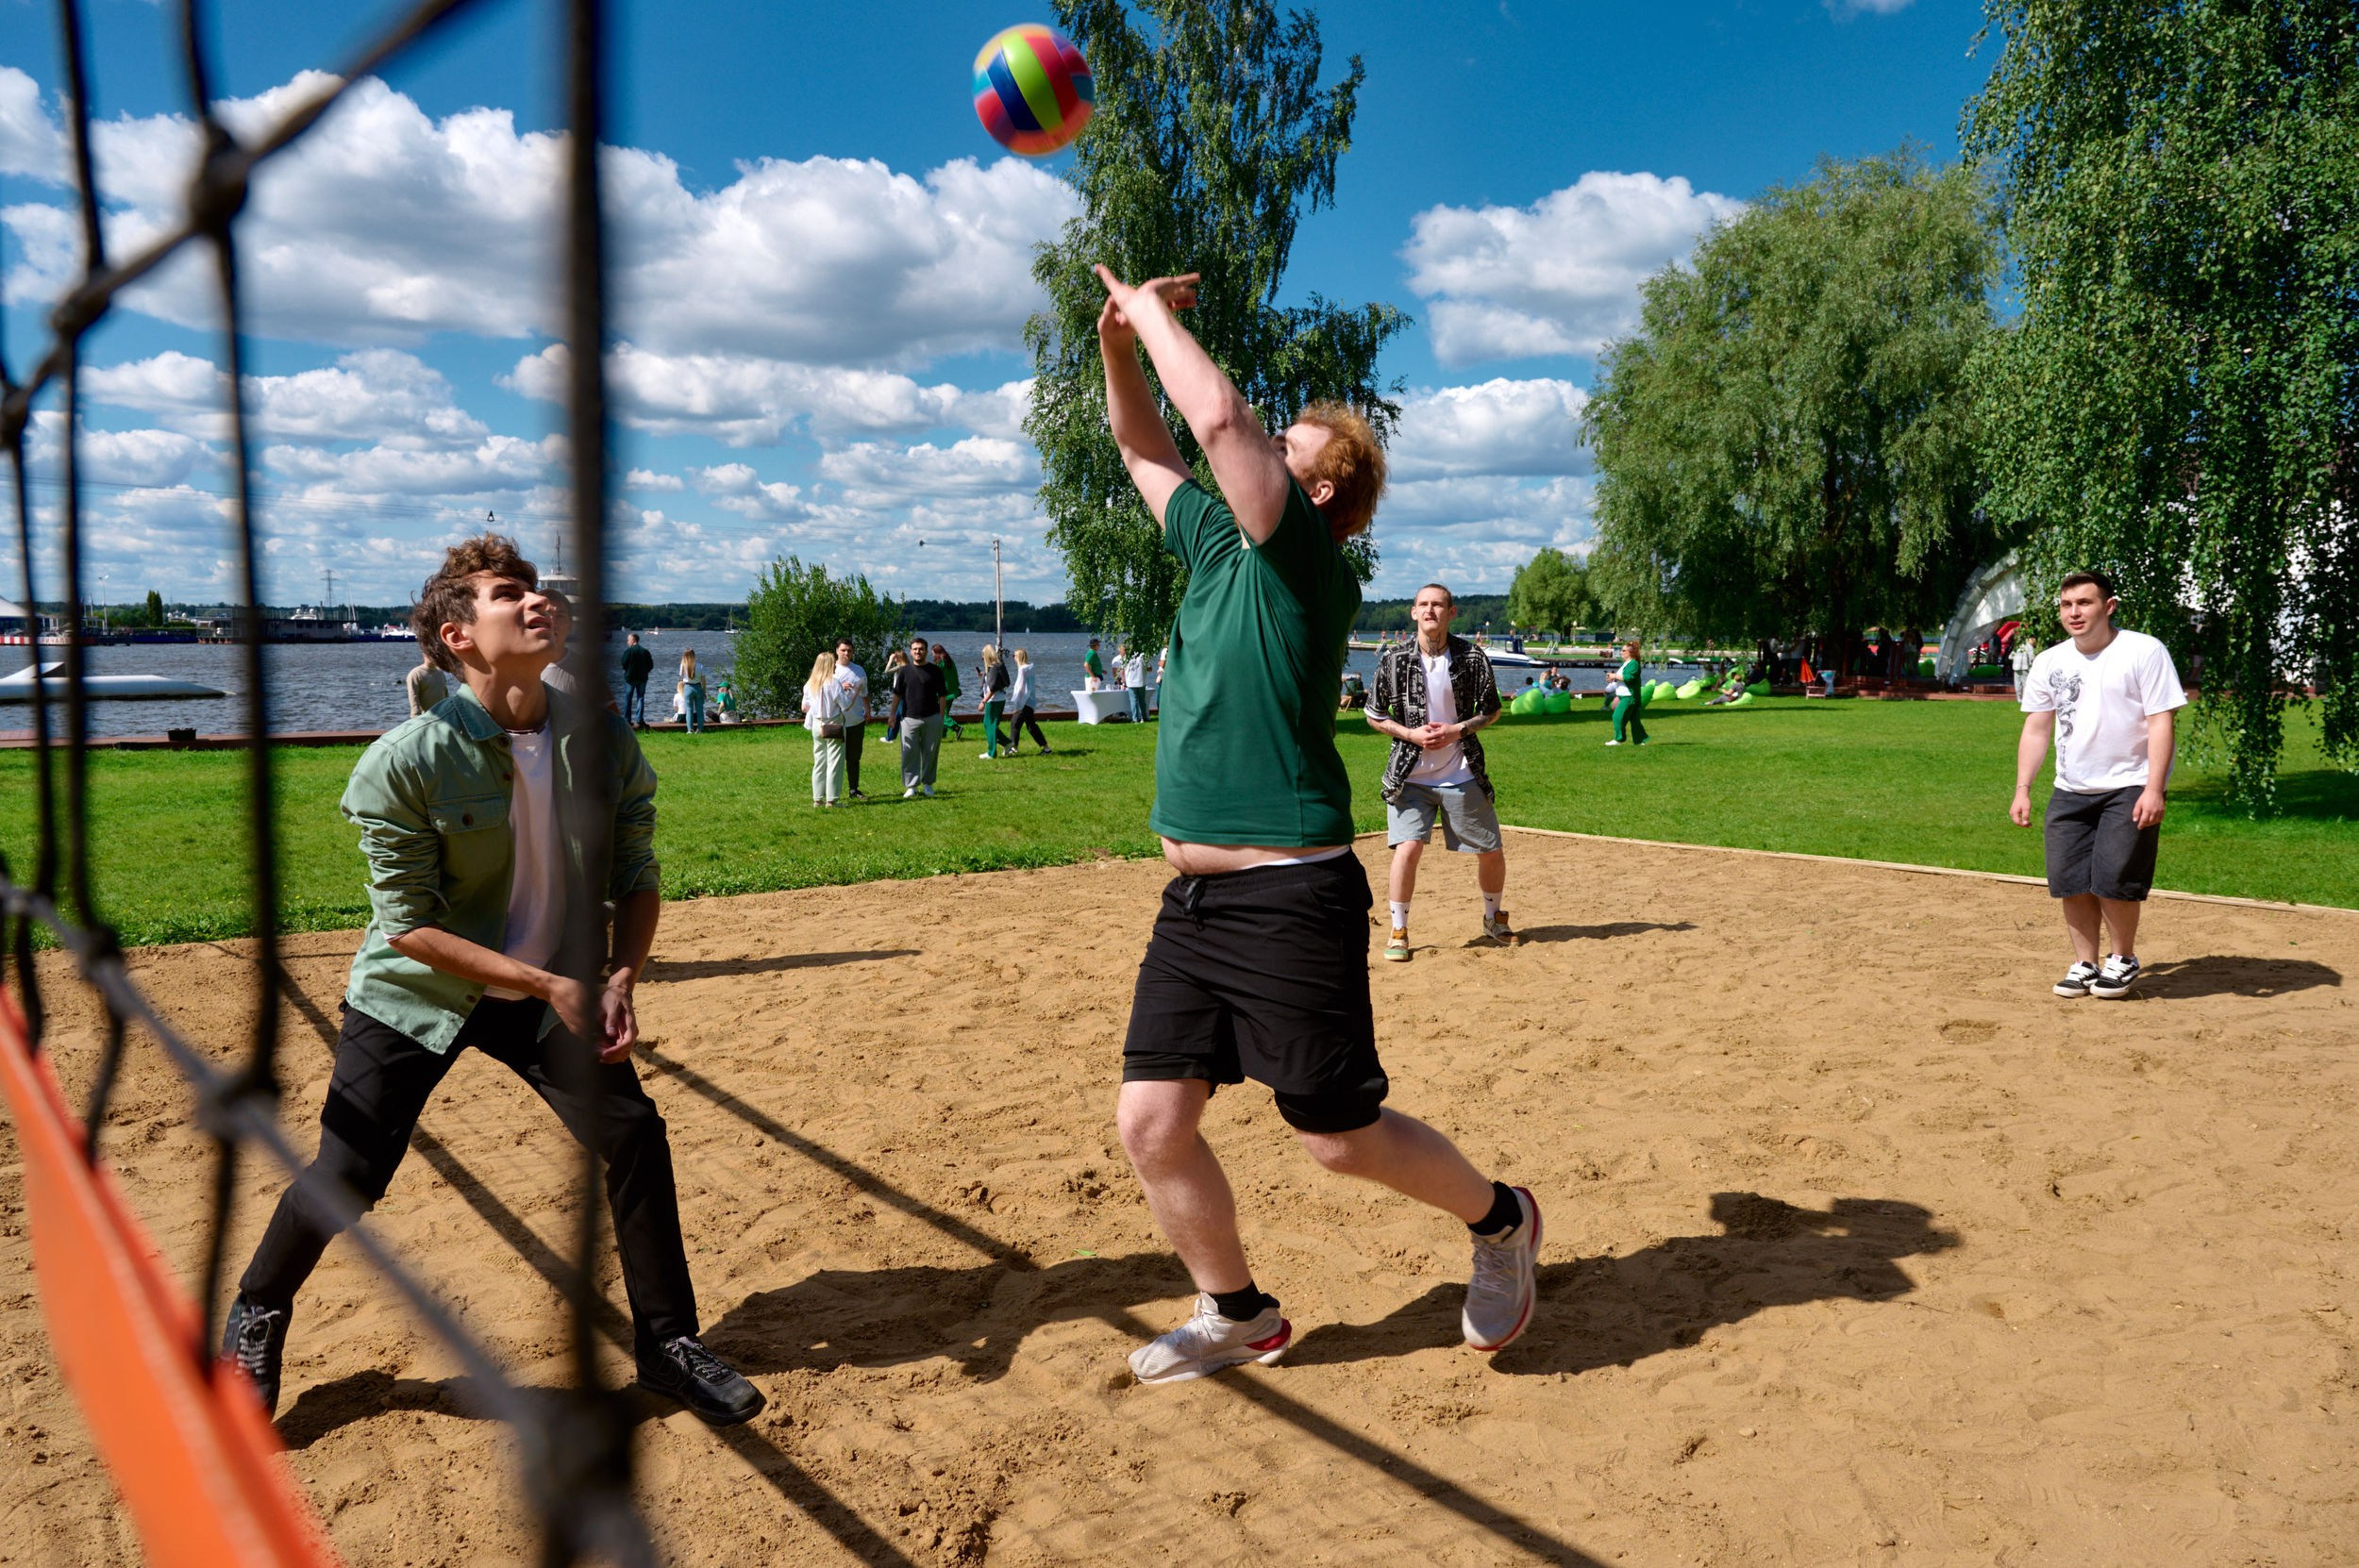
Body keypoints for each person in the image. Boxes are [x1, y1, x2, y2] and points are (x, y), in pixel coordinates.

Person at [1093, 262, 1539, 1386]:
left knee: (1336, 1139)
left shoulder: (1303, 565)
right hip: (1194, 902)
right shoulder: (1213, 547)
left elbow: (1215, 419)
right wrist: (1114, 346)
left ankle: (1500, 1221)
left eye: (1283, 447)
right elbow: (1145, 448)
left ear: (1321, 491)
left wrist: (1147, 311)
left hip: (1287, 893)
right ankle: (1236, 1313)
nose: (1255, 445)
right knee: (1151, 1123)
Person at [216, 534, 761, 1427]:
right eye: (509, 592)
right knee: (350, 1171)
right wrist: (551, 985)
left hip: (552, 992)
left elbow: (636, 871)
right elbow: (408, 926)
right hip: (419, 992)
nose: (538, 600)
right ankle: (258, 1309)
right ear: (457, 636)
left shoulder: (601, 739)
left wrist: (620, 977)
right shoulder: (407, 758)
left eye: (539, 589)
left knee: (632, 1135)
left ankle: (669, 1347)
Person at [2010, 570, 2186, 1000]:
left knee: (2116, 877)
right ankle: (2085, 963)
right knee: (2070, 879)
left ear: (2108, 607)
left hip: (2129, 784)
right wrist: (2023, 788)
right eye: (2066, 605)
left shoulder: (2143, 650)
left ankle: (2122, 958)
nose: (2074, 612)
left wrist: (2154, 787)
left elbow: (2161, 720)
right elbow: (2037, 727)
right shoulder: (2050, 661)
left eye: (2084, 603)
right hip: (2070, 787)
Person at [1367, 582, 1513, 961]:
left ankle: (1493, 918)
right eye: (1423, 604)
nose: (1430, 610)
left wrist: (1456, 730)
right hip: (1409, 775)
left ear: (1451, 613)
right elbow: (1374, 715)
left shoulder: (1472, 656)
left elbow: (1492, 710)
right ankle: (1398, 930)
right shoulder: (1394, 660)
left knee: (1491, 850)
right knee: (1408, 848)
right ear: (1414, 612)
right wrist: (1410, 734)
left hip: (1462, 772)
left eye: (1438, 604)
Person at [891, 637, 947, 797]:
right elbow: (897, 695)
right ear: (910, 651)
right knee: (909, 753)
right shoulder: (904, 671)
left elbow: (942, 696)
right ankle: (911, 786)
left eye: (921, 649)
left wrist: (940, 717)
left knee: (931, 753)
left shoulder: (935, 671)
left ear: (926, 651)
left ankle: (928, 784)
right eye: (915, 649)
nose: (918, 651)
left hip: (932, 717)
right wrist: (892, 715)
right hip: (909, 718)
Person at [804, 651, 846, 807]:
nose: (835, 666)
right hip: (833, 724)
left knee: (819, 761)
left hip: (817, 724)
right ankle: (831, 800)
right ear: (829, 665)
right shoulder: (834, 683)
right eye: (833, 663)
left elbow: (804, 707)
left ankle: (817, 799)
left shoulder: (809, 684)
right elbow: (845, 705)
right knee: (834, 762)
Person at [832, 638, 871, 799]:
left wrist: (867, 709)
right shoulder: (831, 670)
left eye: (849, 650)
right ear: (837, 651)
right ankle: (832, 793)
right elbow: (821, 692)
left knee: (854, 758)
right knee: (835, 759)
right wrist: (839, 687)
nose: (846, 653)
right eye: (843, 650)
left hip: (856, 721)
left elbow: (864, 692)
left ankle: (854, 790)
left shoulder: (859, 670)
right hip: (836, 722)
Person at [1006, 647, 1051, 755]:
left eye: (1014, 656)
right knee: (1031, 727)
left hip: (1024, 703)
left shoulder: (1022, 670)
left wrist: (1018, 705)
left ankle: (1014, 748)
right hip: (1030, 701)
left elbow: (1021, 689)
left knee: (1015, 723)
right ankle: (1046, 748)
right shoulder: (1030, 668)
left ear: (1019, 657)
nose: (1013, 658)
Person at [1607, 640, 1648, 746]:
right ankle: (1640, 740)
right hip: (1625, 696)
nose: (1621, 652)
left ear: (1630, 652)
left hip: (1629, 697)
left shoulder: (1633, 664)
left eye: (1623, 650)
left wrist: (1615, 676)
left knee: (1617, 716)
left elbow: (1629, 677)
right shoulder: (1626, 664)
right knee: (1635, 720)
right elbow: (1623, 678)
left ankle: (1618, 739)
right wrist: (1613, 678)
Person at [979, 643, 1012, 759]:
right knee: (990, 724)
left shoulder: (993, 668)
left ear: (987, 655)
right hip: (1000, 699)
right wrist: (983, 675)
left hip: (993, 701)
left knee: (990, 725)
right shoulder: (998, 666)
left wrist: (983, 702)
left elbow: (992, 688)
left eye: (983, 655)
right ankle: (1007, 743)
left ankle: (991, 753)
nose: (982, 658)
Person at [620, 631, 654, 729]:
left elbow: (623, 663)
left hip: (630, 679)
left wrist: (628, 671)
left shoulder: (629, 651)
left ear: (633, 640)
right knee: (640, 698)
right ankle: (639, 720)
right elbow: (651, 665)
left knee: (628, 698)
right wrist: (645, 672)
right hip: (642, 678)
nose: (627, 642)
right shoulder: (645, 651)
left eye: (628, 640)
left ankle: (627, 720)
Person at [404, 648, 447, 717]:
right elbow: (413, 697)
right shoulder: (415, 674)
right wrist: (416, 717)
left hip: (442, 716)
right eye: (432, 654)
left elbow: (446, 694)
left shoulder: (440, 673)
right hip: (425, 717)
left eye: (437, 655)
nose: (435, 657)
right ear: (424, 655)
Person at [678, 648, 706, 735]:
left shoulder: (683, 666)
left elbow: (682, 678)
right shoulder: (700, 666)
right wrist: (704, 691)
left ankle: (690, 729)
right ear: (694, 656)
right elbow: (703, 681)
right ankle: (700, 729)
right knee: (700, 710)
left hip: (688, 687)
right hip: (698, 687)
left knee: (689, 710)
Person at [1125, 644, 1151, 724]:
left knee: (1133, 701)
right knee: (1142, 700)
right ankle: (1144, 717)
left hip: (1130, 682)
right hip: (1140, 681)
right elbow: (1149, 668)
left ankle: (1135, 719)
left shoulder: (1126, 657)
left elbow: (1122, 669)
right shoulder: (1143, 656)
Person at [2010, 629, 2038, 700]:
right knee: (2025, 682)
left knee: (2017, 682)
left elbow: (2010, 656)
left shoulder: (2018, 646)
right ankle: (2026, 698)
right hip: (2024, 667)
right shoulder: (2029, 647)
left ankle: (2019, 698)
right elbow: (2032, 657)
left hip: (2016, 667)